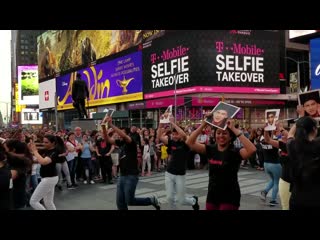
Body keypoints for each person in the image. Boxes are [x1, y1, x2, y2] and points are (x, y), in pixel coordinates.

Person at [186, 118, 256, 210]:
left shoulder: (235, 152)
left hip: (230, 196)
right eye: (218, 133)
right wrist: (203, 125)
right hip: (212, 195)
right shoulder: (210, 149)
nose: (221, 136)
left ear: (231, 136)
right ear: (215, 135)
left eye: (225, 133)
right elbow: (189, 142)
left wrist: (234, 130)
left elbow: (252, 150)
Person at [101, 116, 161, 210]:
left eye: (121, 133)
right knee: (120, 203)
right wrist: (103, 126)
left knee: (129, 200)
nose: (119, 135)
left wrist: (111, 124)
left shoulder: (131, 142)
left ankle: (151, 200)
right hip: (122, 175)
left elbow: (124, 136)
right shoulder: (120, 143)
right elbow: (107, 139)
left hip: (131, 176)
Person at [157, 116, 200, 210]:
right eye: (173, 134)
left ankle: (193, 200)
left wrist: (172, 123)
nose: (174, 136)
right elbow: (159, 137)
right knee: (169, 198)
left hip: (180, 175)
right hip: (169, 173)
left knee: (181, 200)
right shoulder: (171, 142)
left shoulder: (186, 143)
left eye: (176, 134)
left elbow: (184, 135)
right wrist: (160, 125)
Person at [287, 117, 320, 210]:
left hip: (296, 199)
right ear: (314, 129)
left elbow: (290, 134)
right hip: (316, 199)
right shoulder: (318, 145)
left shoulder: (292, 145)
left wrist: (299, 122)